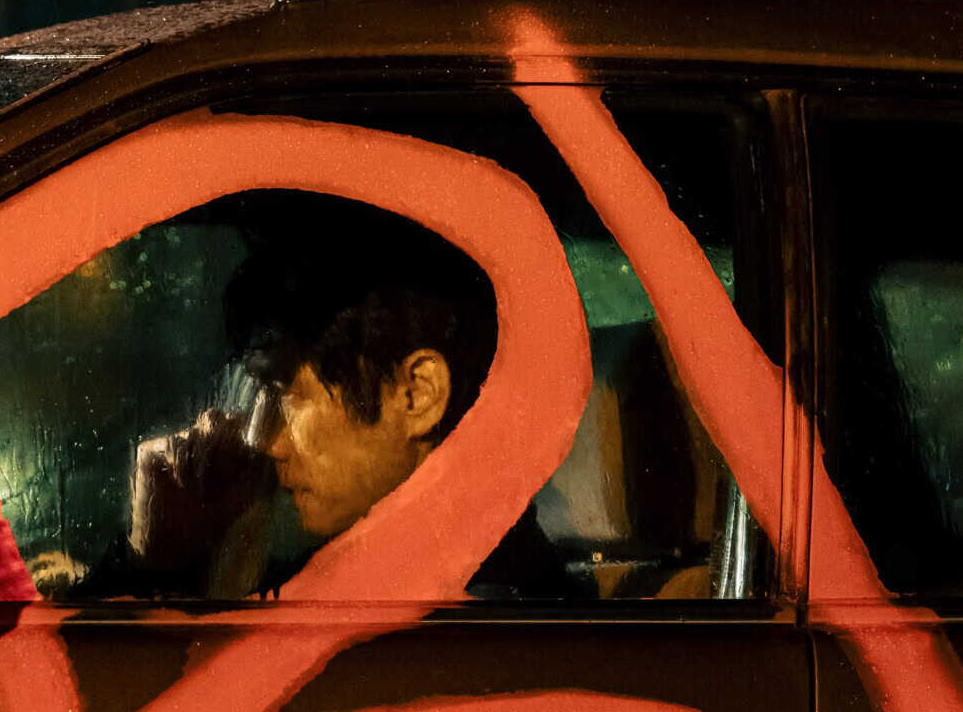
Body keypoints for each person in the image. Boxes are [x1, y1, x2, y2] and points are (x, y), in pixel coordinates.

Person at [84, 196, 587, 601]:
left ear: (416, 395)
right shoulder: (415, 589)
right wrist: (170, 556)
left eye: (288, 394)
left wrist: (149, 570)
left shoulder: (463, 631)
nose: (265, 441)